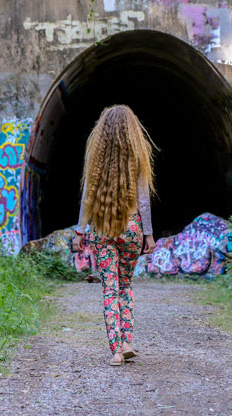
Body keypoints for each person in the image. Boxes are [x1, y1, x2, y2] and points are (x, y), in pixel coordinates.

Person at [72, 105, 156, 366]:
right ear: (133, 131)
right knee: (126, 286)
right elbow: (144, 201)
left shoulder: (96, 158)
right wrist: (148, 234)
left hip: (102, 228)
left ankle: (116, 352)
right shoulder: (138, 158)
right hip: (131, 229)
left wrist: (80, 231)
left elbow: (87, 197)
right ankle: (127, 341)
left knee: (110, 289)